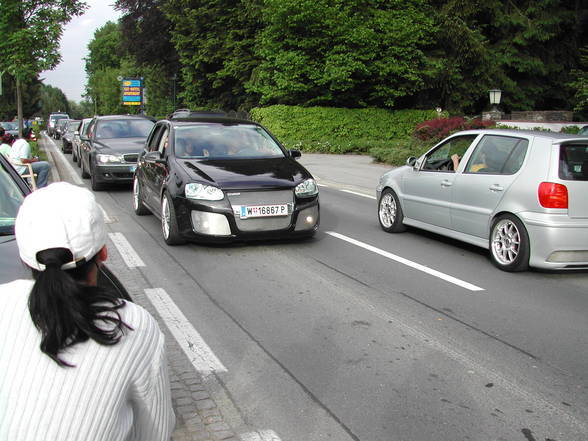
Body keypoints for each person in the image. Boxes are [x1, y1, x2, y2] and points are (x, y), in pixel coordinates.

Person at [0, 183, 175, 441]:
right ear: (103, 252)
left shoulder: (5, 300)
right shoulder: (133, 324)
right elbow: (155, 433)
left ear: (25, 257)